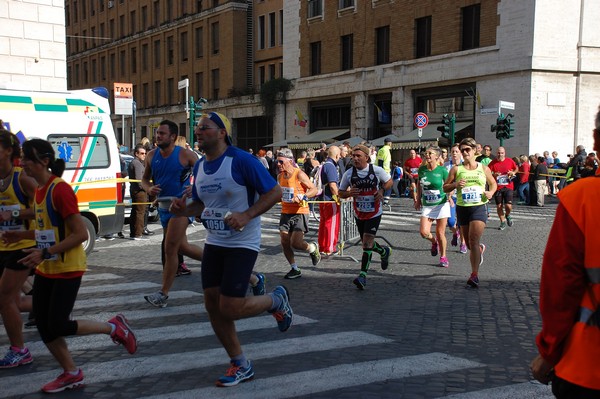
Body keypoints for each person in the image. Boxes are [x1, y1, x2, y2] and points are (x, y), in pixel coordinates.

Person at [169, 111, 292, 387]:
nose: (198, 132)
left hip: (242, 242)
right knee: (213, 305)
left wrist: (247, 215)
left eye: (204, 128)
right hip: (215, 242)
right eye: (197, 129)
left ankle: (276, 300)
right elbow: (201, 205)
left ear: (222, 132)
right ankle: (240, 363)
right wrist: (184, 209)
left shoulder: (242, 160)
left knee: (231, 307)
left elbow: (274, 192)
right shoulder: (200, 167)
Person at [13, 139, 137, 393]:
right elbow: (46, 231)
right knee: (45, 325)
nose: (22, 162)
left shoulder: (60, 190)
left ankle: (113, 326)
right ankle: (71, 372)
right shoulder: (39, 190)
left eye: (27, 158)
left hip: (68, 268)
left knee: (57, 324)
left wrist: (45, 252)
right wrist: (19, 237)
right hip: (47, 267)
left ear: (44, 161)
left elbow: (80, 234)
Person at [530, 106, 600, 398]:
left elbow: (561, 287)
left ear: (596, 139)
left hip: (589, 365)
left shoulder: (583, 198)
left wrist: (549, 350)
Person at [142, 120, 204, 308]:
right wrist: (149, 188)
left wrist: (194, 188)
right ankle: (228, 265)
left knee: (169, 248)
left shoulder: (185, 155)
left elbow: (205, 172)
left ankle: (163, 294)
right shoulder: (152, 156)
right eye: (157, 133)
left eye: (162, 133)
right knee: (182, 247)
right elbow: (144, 180)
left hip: (182, 208)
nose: (158, 136)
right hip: (163, 208)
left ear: (173, 137)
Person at [0, 128, 38, 369]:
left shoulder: (21, 178)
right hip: (3, 245)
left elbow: (43, 207)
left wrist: (13, 212)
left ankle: (19, 350)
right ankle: (54, 306)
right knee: (13, 301)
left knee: (3, 299)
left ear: (7, 150)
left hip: (24, 245)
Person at [443, 138, 497, 288]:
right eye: (463, 150)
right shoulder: (456, 169)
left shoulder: (483, 168)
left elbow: (493, 183)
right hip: (462, 207)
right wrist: (455, 184)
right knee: (468, 243)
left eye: (468, 149)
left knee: (473, 239)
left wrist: (491, 192)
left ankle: (474, 275)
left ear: (474, 151)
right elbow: (445, 187)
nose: (465, 152)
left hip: (479, 207)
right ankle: (479, 250)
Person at [338, 145, 392, 289]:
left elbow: (389, 181)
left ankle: (362, 276)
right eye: (353, 156)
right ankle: (384, 251)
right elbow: (340, 192)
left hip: (374, 212)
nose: (355, 158)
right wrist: (349, 194)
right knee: (366, 244)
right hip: (359, 212)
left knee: (367, 243)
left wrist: (381, 190)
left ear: (366, 157)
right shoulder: (349, 174)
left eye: (358, 156)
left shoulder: (377, 171)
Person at [275, 148, 320, 279]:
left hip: (300, 212)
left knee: (296, 243)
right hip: (285, 212)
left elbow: (314, 189)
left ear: (290, 161)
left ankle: (312, 248)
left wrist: (303, 197)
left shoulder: (299, 174)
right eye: (277, 161)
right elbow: (279, 193)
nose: (278, 164)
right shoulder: (280, 176)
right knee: (284, 241)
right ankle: (294, 268)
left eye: (281, 161)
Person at [415, 145, 451, 268]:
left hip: (441, 204)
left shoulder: (442, 171)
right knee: (424, 232)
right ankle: (433, 241)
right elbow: (419, 185)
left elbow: (449, 186)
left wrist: (450, 196)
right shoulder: (422, 169)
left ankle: (443, 256)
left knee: (440, 233)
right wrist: (417, 199)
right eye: (426, 153)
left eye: (430, 153)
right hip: (428, 205)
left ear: (437, 156)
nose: (428, 155)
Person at [318, 146, 341, 256]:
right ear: (336, 155)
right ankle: (329, 247)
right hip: (330, 199)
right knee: (330, 224)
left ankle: (322, 246)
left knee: (324, 223)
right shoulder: (331, 166)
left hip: (323, 198)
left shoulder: (324, 164)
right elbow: (333, 186)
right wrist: (338, 198)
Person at [488, 146, 518, 230]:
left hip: (508, 186)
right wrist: (494, 175)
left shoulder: (510, 161)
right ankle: (502, 222)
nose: (500, 154)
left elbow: (516, 169)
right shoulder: (493, 163)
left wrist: (512, 172)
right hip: (497, 187)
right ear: (496, 153)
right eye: (498, 153)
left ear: (504, 153)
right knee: (499, 206)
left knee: (508, 205)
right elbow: (488, 173)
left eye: (502, 153)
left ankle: (507, 215)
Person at [445, 144, 467, 254]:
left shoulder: (465, 166)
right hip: (451, 197)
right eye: (452, 151)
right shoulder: (446, 166)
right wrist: (449, 196)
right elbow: (445, 184)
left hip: (463, 197)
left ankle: (463, 243)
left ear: (460, 153)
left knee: (461, 223)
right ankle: (455, 233)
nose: (454, 153)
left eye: (456, 151)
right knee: (451, 221)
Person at [128, 144, 149, 240]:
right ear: (136, 154)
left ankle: (134, 233)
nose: (144, 155)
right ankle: (138, 233)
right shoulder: (137, 163)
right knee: (140, 212)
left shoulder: (135, 162)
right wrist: (146, 188)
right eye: (142, 153)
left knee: (135, 211)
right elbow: (139, 179)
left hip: (135, 190)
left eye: (145, 153)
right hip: (140, 191)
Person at [376, 138, 393, 203]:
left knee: (383, 185)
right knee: (389, 184)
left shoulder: (382, 150)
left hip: (382, 169)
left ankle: (382, 198)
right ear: (389, 143)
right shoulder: (385, 150)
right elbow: (382, 161)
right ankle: (385, 199)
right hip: (385, 170)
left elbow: (380, 160)